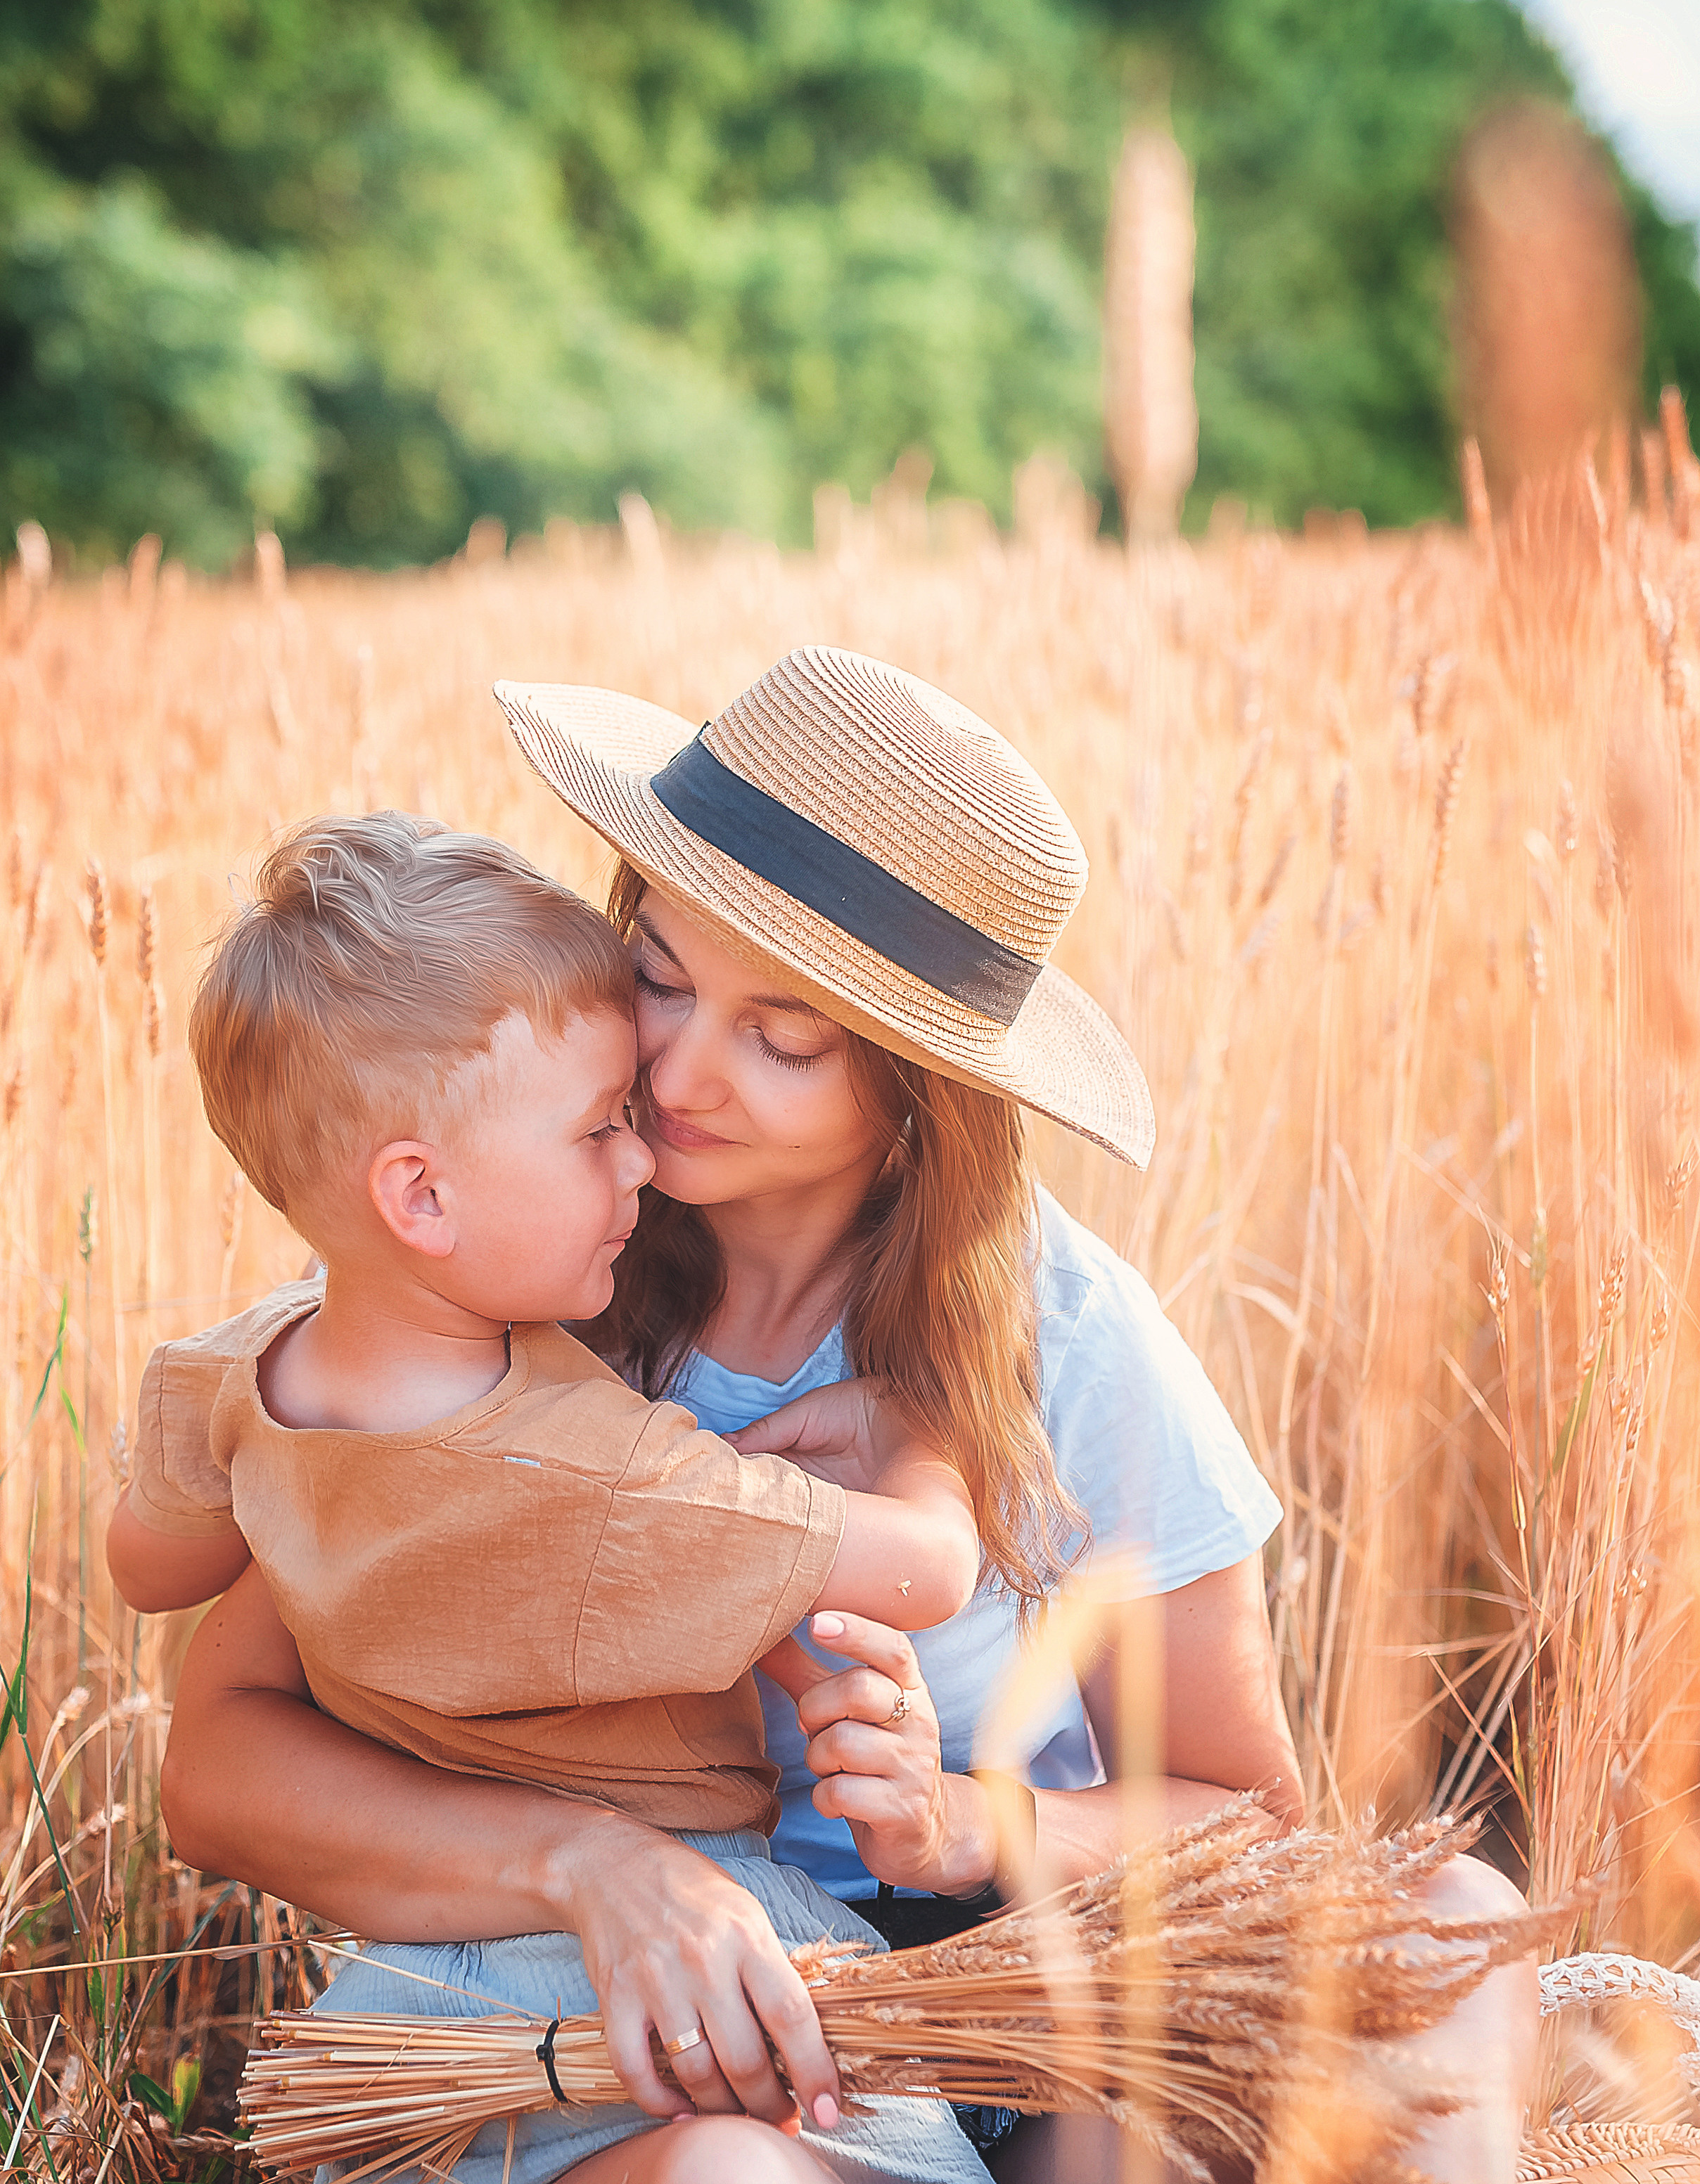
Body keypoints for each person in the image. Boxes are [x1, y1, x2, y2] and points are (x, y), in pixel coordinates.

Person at [160, 649, 1538, 2184]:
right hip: (657, 2040)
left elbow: (1247, 1816)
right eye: (663, 974)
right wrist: (592, 1867)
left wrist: (967, 1822)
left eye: (787, 1037)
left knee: (1455, 1929)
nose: (676, 1072)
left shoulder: (1069, 1341)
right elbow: (215, 1761)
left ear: (921, 1083)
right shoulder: (488, 1281)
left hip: (1008, 2010)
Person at [110, 811, 993, 2184]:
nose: (643, 1146)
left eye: (787, 1031)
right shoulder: (606, 1474)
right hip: (682, 1991)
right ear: (423, 1196)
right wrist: (925, 1430)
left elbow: (145, 1562)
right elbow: (925, 1567)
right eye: (598, 1128)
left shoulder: (232, 1378)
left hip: (422, 2009)